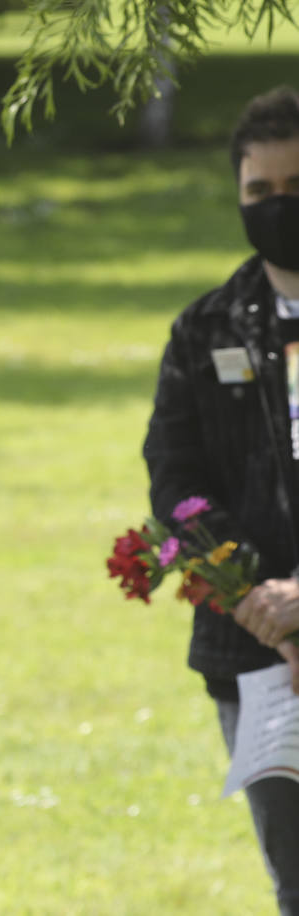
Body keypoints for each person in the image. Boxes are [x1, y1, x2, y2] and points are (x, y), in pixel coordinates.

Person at [143, 85, 299, 916]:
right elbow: (176, 482)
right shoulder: (206, 332)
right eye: (259, 192)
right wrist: (260, 601)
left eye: (295, 189)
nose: (279, 208)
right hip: (256, 659)